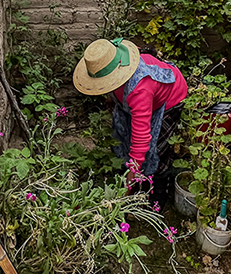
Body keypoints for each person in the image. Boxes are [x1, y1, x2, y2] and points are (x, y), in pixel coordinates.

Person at [73, 38, 188, 206]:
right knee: (123, 134)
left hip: (169, 99)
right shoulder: (113, 64)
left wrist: (129, 183)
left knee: (157, 148)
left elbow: (141, 140)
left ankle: (159, 191)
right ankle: (131, 171)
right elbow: (107, 85)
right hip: (141, 98)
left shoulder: (140, 88)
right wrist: (111, 99)